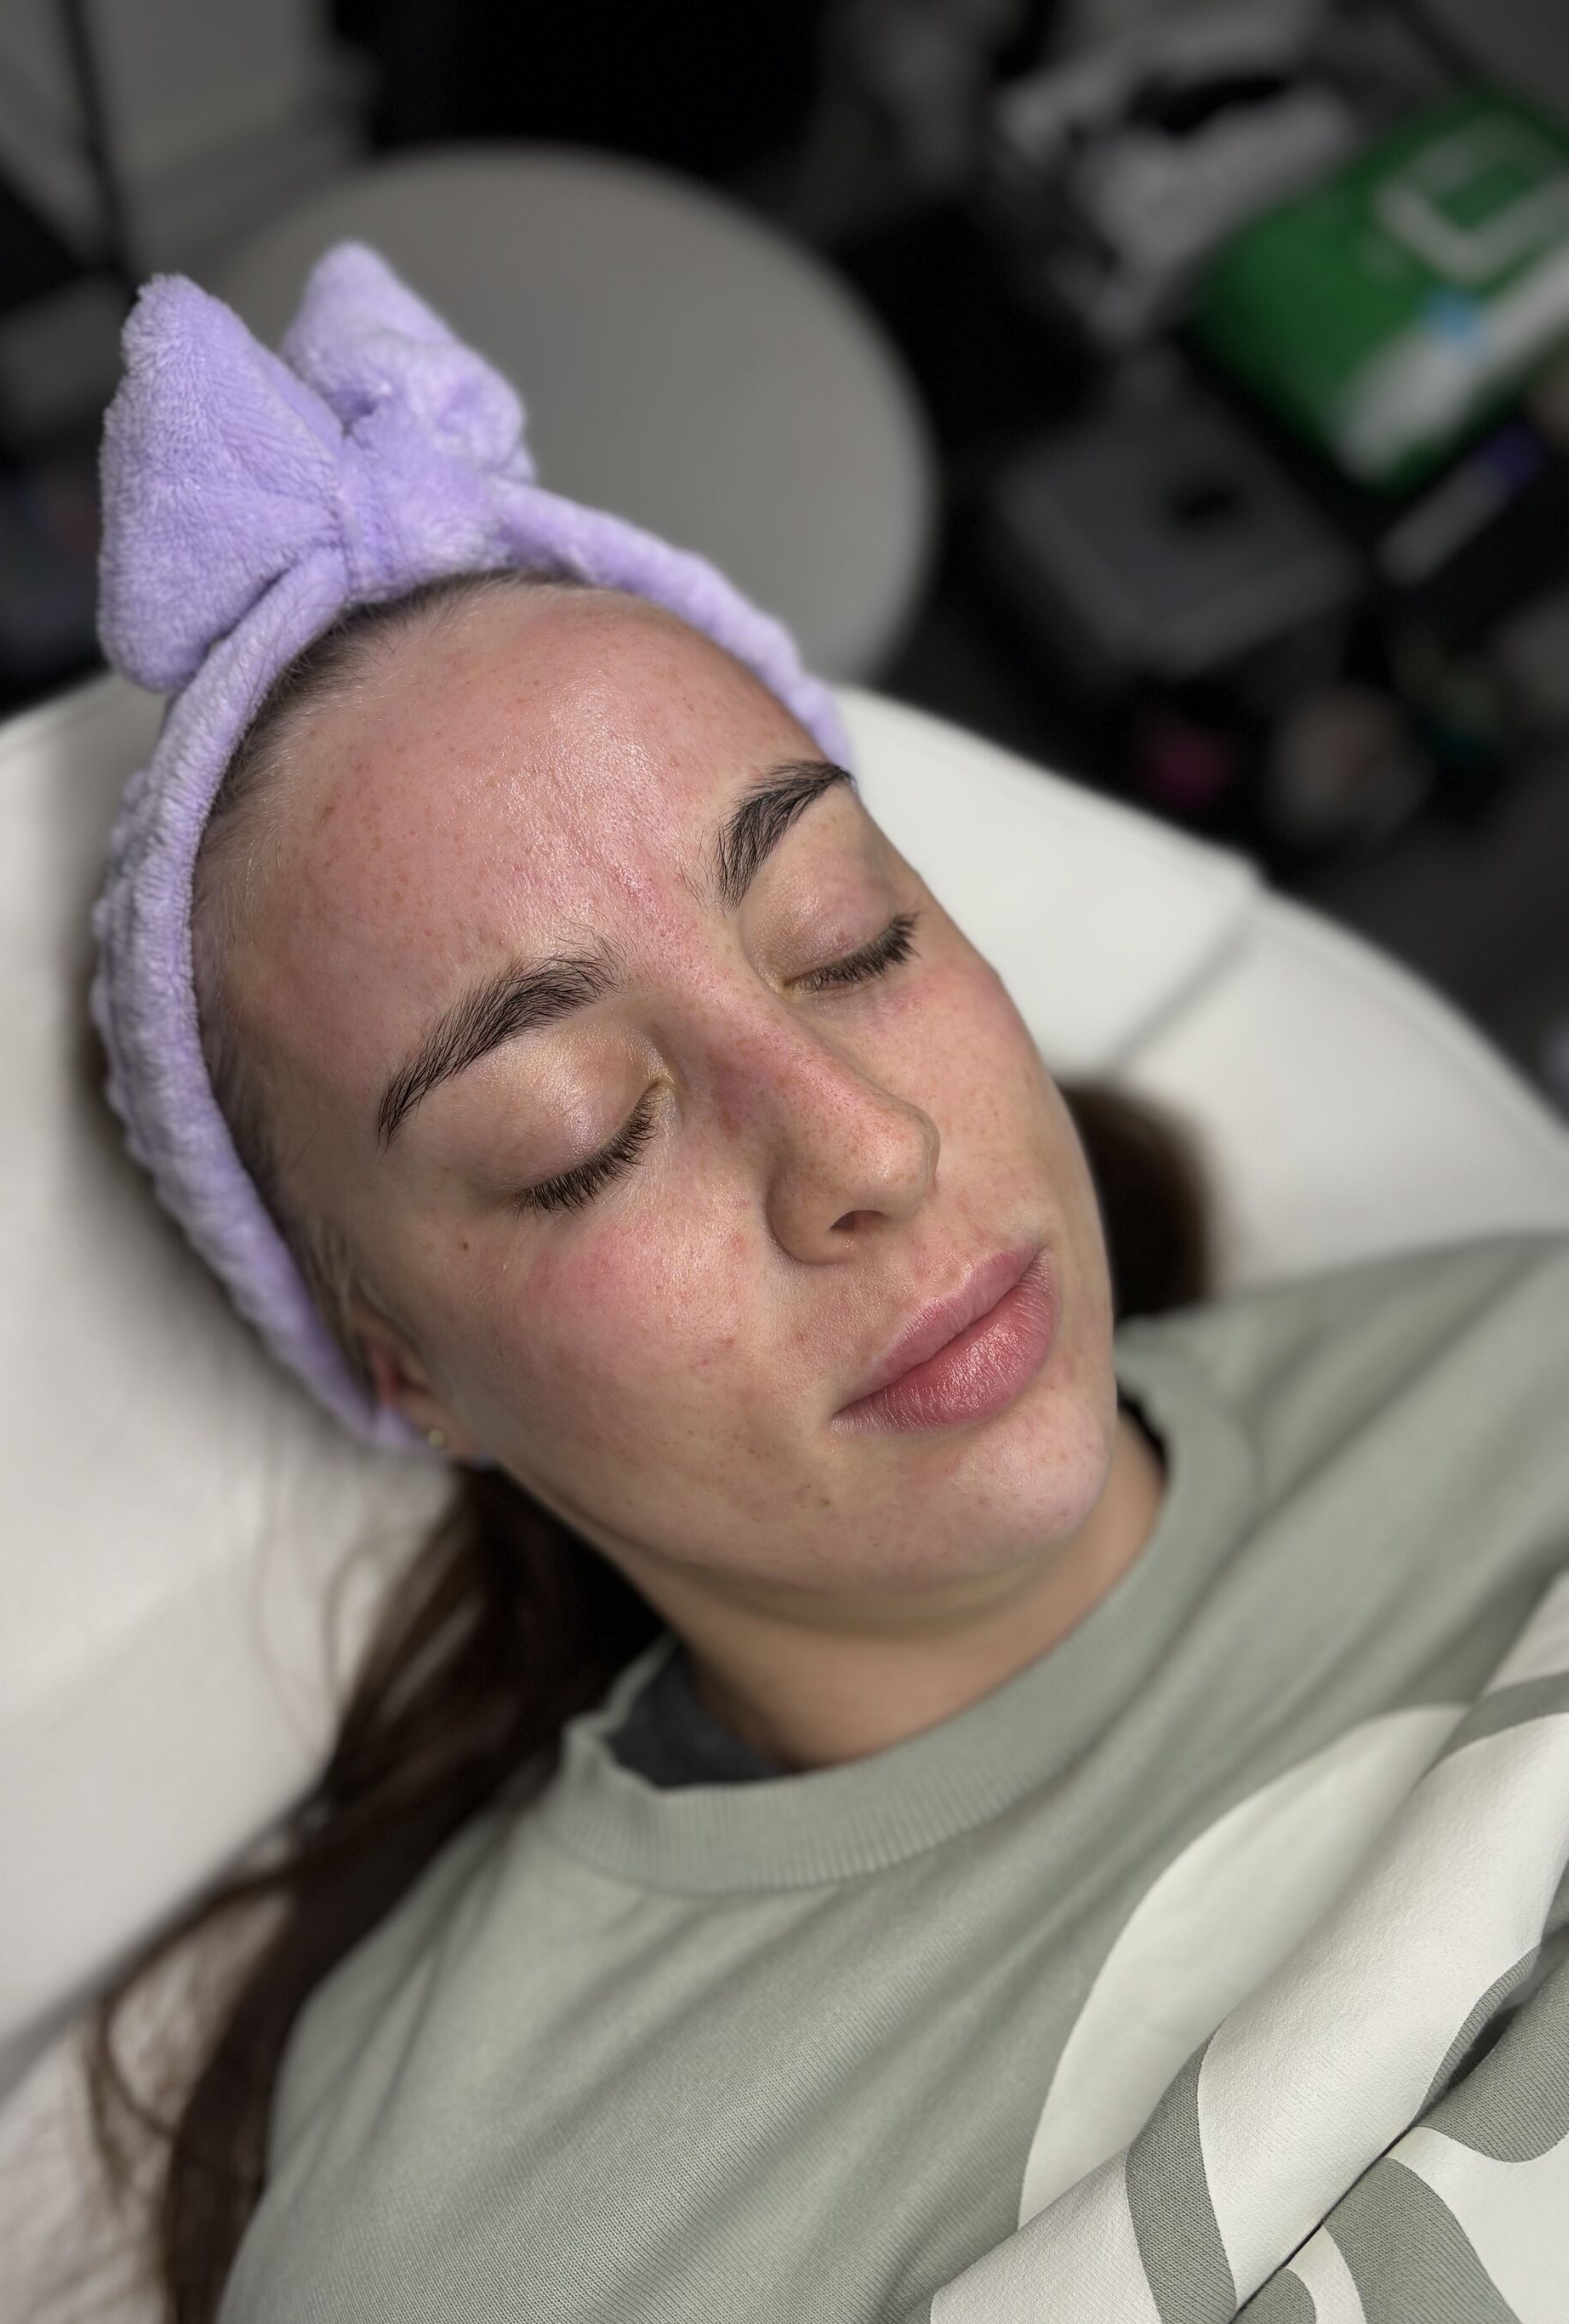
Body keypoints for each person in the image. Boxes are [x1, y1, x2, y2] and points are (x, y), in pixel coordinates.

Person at [88, 247, 1569, 2324]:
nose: (864, 1148)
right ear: (403, 1366)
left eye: (846, 933)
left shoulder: (1530, 1359)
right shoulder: (473, 2251)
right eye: (577, 1132)